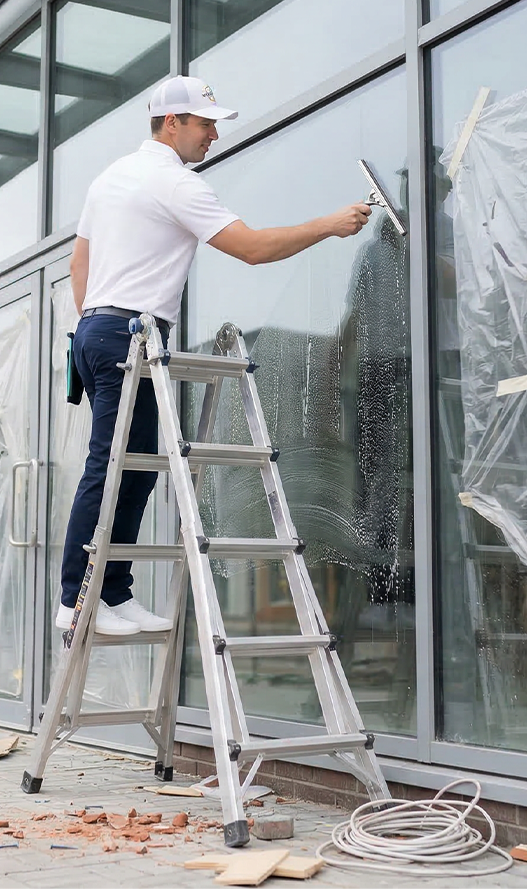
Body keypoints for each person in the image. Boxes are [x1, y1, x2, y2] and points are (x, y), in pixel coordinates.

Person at [58, 75, 372, 636]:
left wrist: (91, 327)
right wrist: (329, 225)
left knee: (133, 468)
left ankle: (111, 591)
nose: (213, 137)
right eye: (205, 125)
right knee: (113, 468)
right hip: (128, 333)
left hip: (101, 330)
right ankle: (78, 600)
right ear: (171, 123)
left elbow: (80, 264)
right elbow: (251, 249)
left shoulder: (112, 177)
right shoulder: (174, 183)